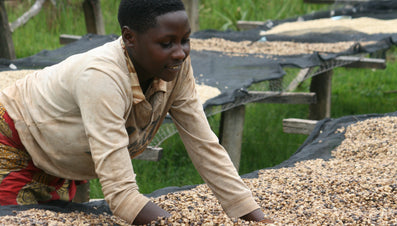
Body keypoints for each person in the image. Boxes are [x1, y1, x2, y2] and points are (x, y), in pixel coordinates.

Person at [0, 0, 273, 224]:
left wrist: (253, 216)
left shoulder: (176, 68)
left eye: (185, 40)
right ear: (129, 38)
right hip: (14, 140)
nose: (180, 53)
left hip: (58, 151)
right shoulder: (101, 77)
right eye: (167, 43)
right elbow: (121, 195)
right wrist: (171, 222)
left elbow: (204, 144)